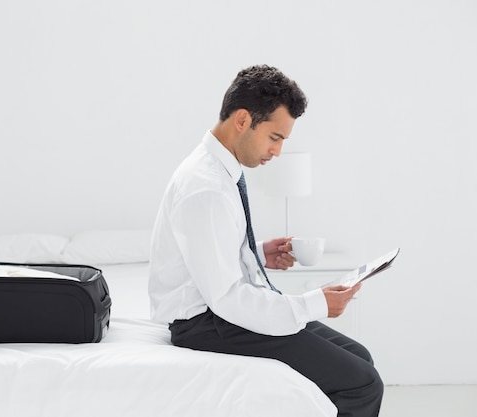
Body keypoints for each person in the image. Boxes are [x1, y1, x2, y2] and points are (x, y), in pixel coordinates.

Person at [148, 64, 383, 417]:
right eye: (275, 137)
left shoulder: (221, 170)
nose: (277, 152)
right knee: (362, 383)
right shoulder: (206, 187)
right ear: (242, 120)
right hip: (205, 324)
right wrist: (315, 303)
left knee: (359, 359)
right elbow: (226, 298)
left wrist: (257, 255)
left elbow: (208, 257)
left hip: (216, 312)